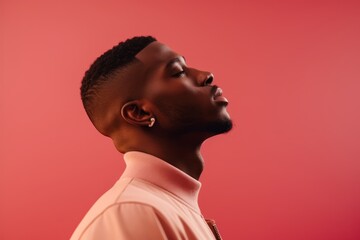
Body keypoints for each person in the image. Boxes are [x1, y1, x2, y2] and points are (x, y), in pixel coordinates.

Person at [71, 36, 232, 240]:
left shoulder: (159, 206)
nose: (206, 75)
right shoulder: (131, 213)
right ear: (139, 113)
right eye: (178, 72)